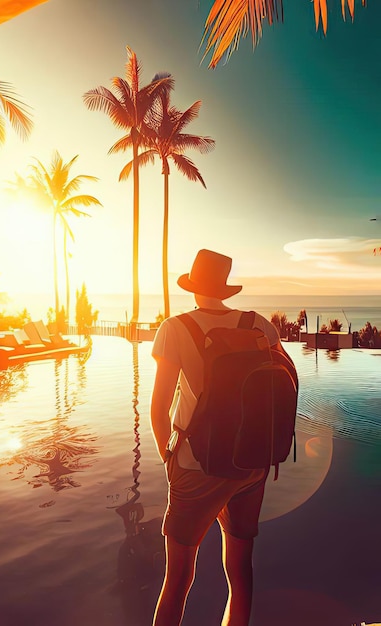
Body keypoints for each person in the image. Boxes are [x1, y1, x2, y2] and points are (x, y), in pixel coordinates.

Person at [150, 249, 293, 626]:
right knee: (240, 572)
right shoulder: (259, 324)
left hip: (197, 466)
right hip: (251, 462)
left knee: (179, 578)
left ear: (194, 288)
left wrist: (169, 461)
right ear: (225, 289)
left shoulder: (176, 327)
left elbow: (159, 408)